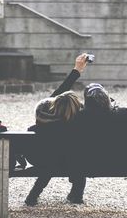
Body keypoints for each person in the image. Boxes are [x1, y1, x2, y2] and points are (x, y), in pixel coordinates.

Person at [23, 53, 89, 206]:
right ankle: (76, 195)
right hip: (67, 160)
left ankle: (33, 196)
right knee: (77, 157)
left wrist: (76, 70)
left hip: (39, 158)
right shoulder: (74, 122)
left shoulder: (44, 113)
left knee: (50, 161)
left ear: (55, 104)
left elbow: (61, 91)